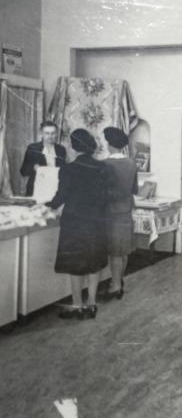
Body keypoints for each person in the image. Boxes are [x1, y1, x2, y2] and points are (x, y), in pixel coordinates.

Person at [45, 128, 108, 320]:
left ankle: (77, 304)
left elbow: (60, 197)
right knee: (94, 262)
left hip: (74, 221)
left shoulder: (68, 169)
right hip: (97, 221)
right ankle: (92, 303)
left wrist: (44, 205)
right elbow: (106, 196)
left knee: (75, 264)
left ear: (73, 147)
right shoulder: (103, 168)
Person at [100, 127, 138, 301]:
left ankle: (115, 286)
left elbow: (101, 192)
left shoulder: (105, 164)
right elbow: (134, 189)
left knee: (114, 251)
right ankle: (119, 281)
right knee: (123, 251)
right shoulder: (131, 163)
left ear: (109, 144)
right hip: (126, 209)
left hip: (111, 211)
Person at [19, 121, 67, 197]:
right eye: (47, 133)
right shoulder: (32, 148)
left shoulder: (61, 150)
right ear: (41, 134)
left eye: (53, 133)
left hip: (55, 189)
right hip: (36, 189)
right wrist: (33, 167)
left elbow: (64, 171)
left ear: (56, 134)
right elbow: (23, 172)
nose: (50, 136)